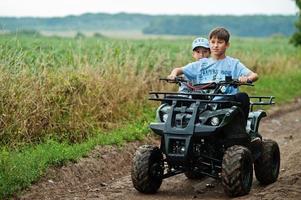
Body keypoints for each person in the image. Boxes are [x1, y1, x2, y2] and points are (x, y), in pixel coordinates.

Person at [168, 27, 258, 124]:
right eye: (213, 42)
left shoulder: (233, 64)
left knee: (242, 96)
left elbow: (254, 75)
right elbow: (178, 70)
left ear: (227, 45)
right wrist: (173, 75)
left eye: (219, 42)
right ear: (209, 44)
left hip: (224, 102)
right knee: (169, 100)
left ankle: (242, 130)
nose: (215, 45)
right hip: (202, 100)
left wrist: (247, 78)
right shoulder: (201, 64)